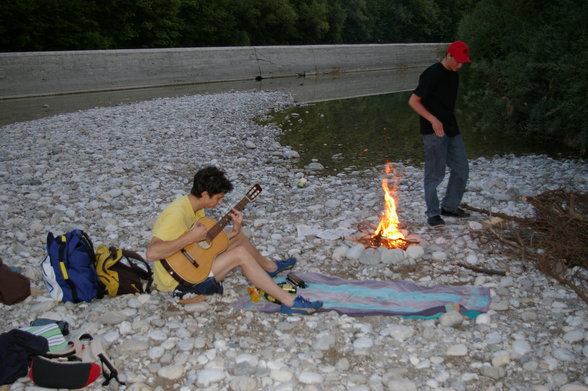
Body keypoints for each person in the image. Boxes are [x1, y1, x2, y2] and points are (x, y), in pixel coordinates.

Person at [145, 166, 323, 315]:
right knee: (240, 254)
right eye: (219, 198)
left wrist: (234, 230)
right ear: (205, 194)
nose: (221, 202)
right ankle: (288, 301)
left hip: (190, 266)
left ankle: (270, 269)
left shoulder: (195, 208)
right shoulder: (177, 214)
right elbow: (153, 253)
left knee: (237, 235)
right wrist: (191, 237)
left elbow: (202, 245)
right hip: (178, 282)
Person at [408, 40, 472, 227]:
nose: (460, 65)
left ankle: (450, 207)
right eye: (458, 61)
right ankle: (433, 214)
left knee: (462, 168)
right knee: (435, 174)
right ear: (449, 55)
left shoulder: (454, 75)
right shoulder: (432, 73)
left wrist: (445, 122)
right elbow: (413, 101)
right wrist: (433, 120)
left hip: (451, 127)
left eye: (463, 62)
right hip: (433, 130)